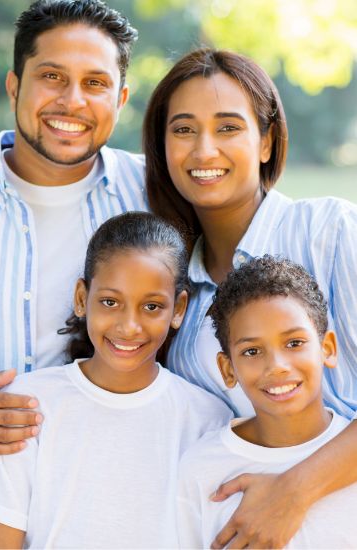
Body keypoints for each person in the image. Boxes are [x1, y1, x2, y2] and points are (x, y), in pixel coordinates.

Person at [0, 1, 147, 547]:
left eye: (95, 83)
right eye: (52, 76)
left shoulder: (161, 202)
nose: (72, 101)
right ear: (13, 86)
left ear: (120, 99)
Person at [143, 47, 357, 548]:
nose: (203, 151)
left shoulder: (331, 232)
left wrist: (295, 492)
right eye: (183, 129)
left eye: (227, 127)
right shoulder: (178, 294)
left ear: (266, 140)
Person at [0, 211, 232, 549]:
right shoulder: (30, 404)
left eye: (151, 307)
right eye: (110, 302)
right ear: (81, 298)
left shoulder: (208, 419)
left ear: (178, 309)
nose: (129, 326)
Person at [177, 255, 357, 549]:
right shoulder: (202, 469)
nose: (277, 366)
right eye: (252, 351)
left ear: (328, 349)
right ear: (227, 369)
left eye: (294, 343)